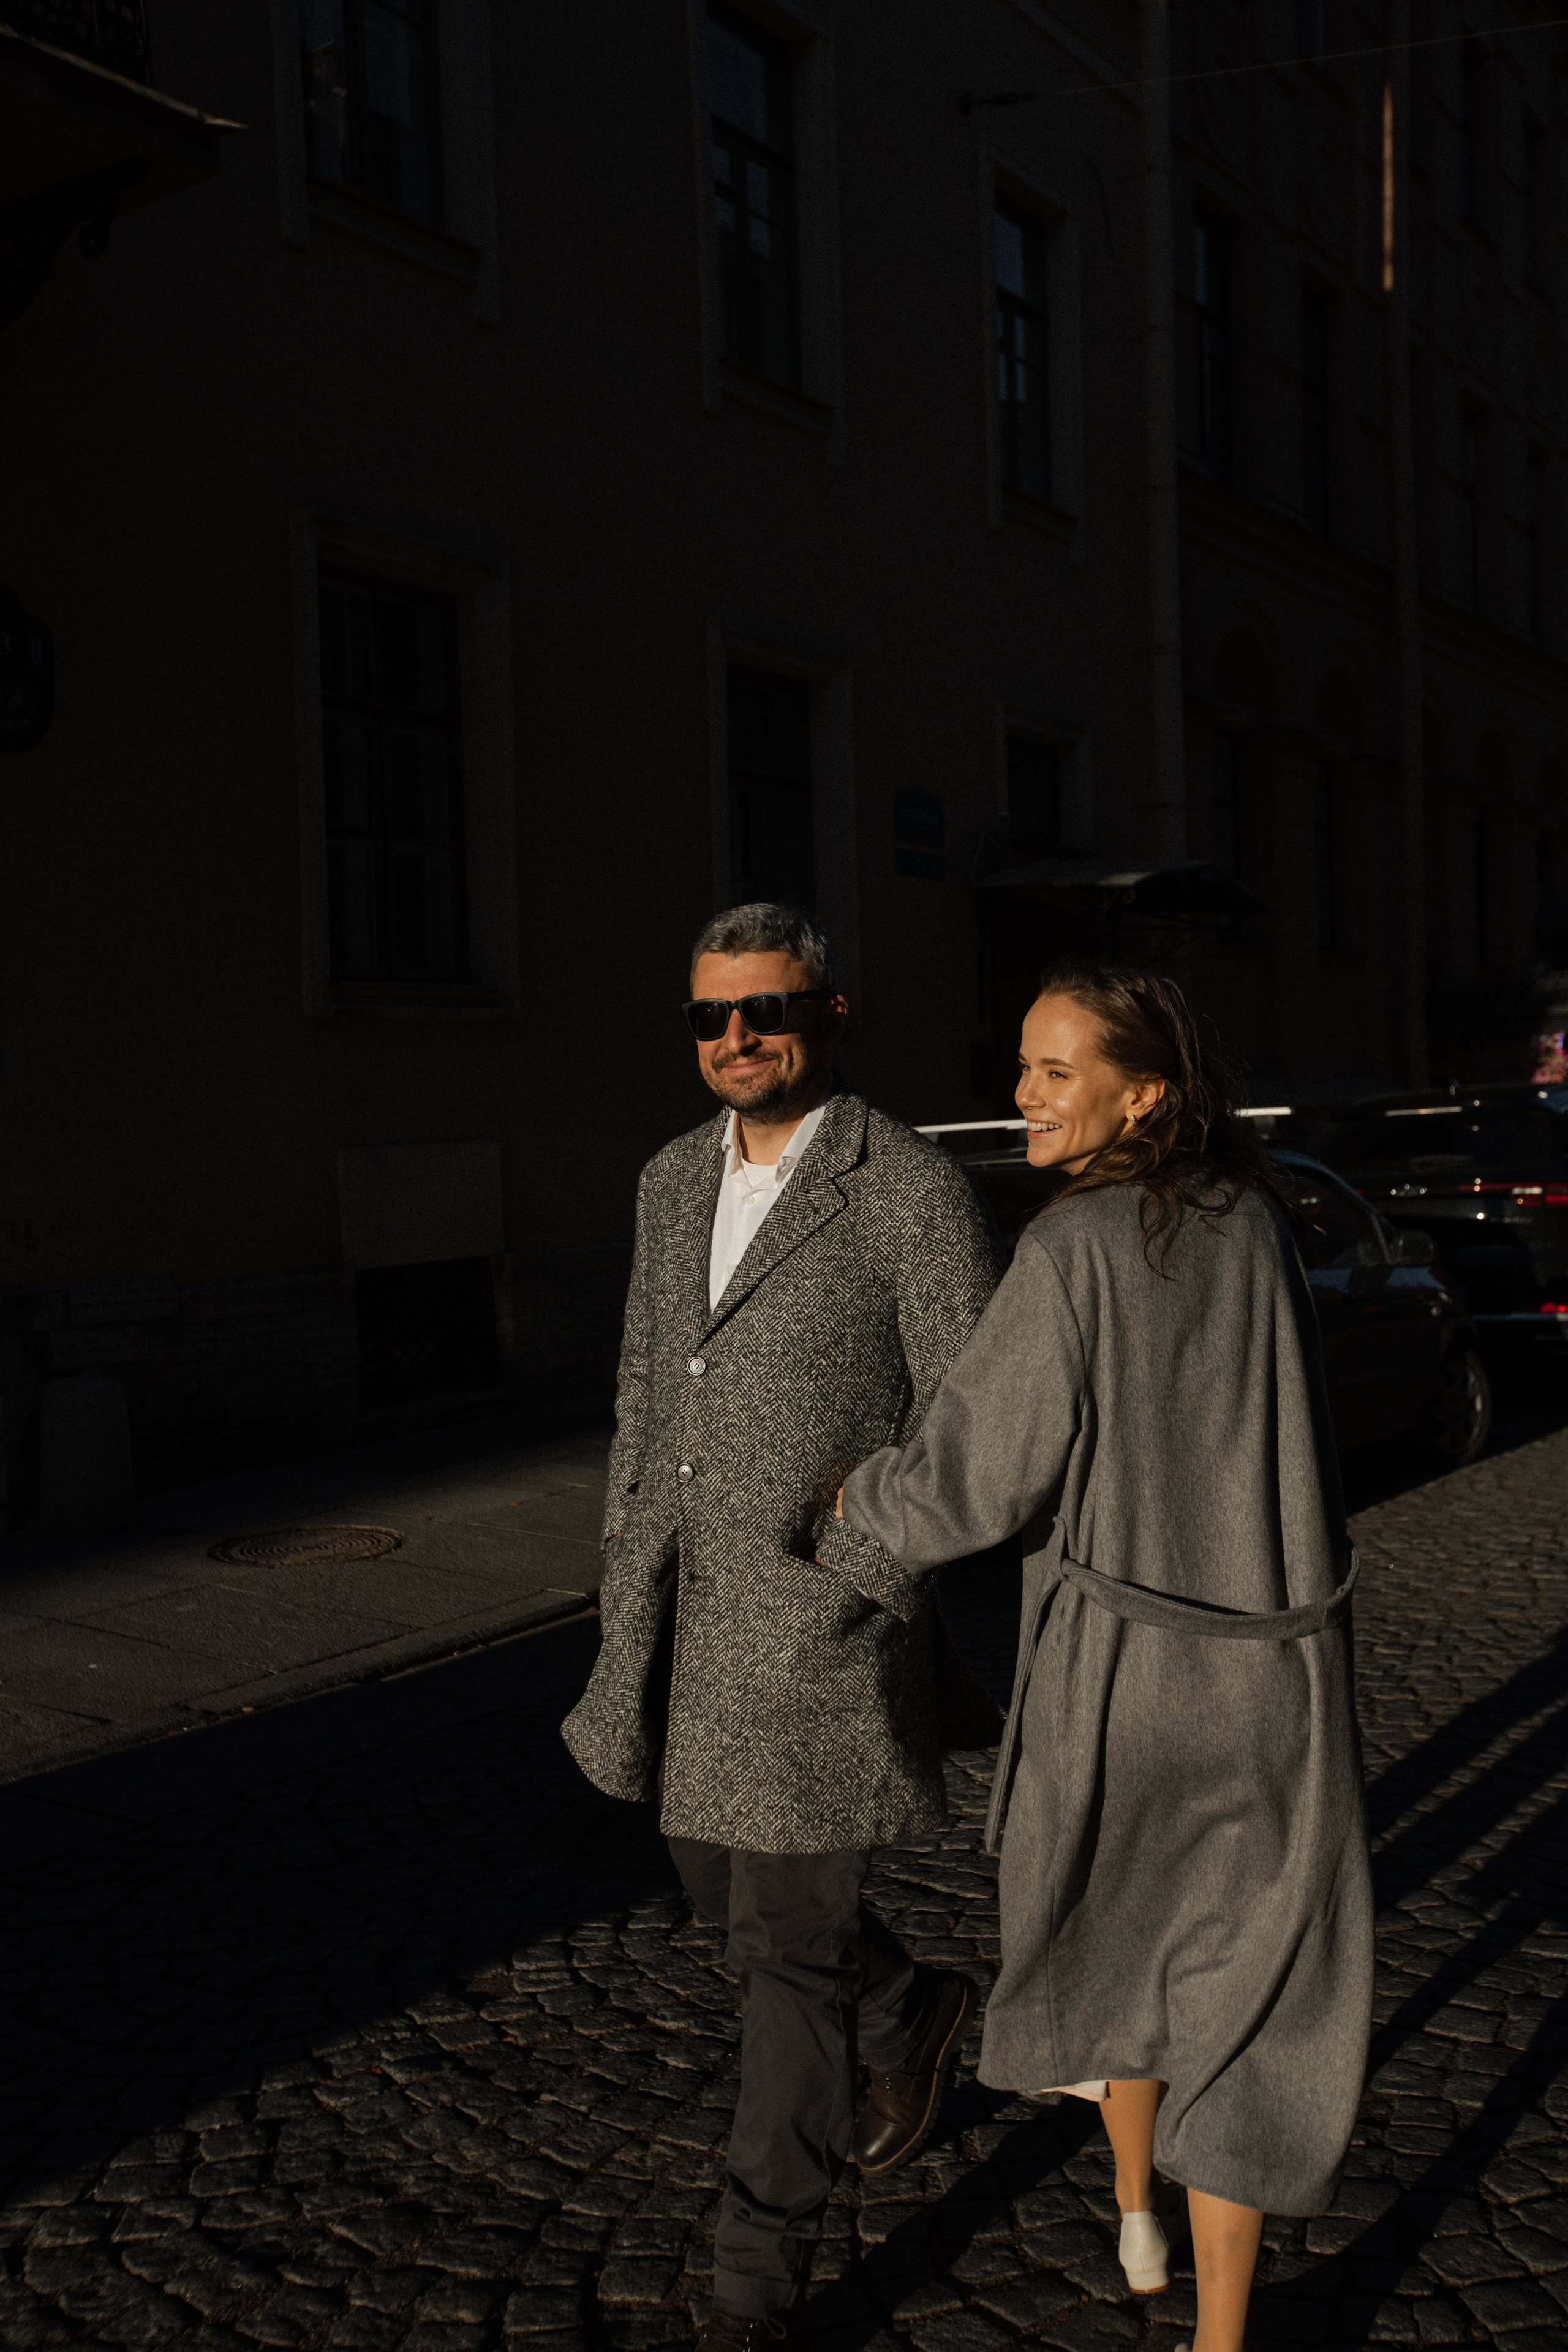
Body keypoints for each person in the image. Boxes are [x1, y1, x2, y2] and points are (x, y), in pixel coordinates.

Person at [839, 962, 1373, 2352]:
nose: (1020, 1092)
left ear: (1141, 1090)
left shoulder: (1069, 1250)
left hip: (1127, 1684)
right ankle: (1216, 2332)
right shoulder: (1254, 1224)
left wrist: (853, 1498)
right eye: (1019, 1065)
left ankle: (1133, 2205)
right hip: (1272, 1681)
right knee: (1240, 2005)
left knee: (1123, 1956)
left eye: (1053, 1070)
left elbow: (969, 1487)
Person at [563, 902, 1007, 2350]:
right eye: (709, 1015)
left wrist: (860, 1561)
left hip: (817, 1632)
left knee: (783, 1952)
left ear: (827, 1016)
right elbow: (645, 1378)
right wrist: (628, 1536)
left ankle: (756, 2275)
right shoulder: (668, 1178)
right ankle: (914, 2012)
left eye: (764, 1009)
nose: (735, 1036)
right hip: (684, 1629)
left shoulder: (905, 1189)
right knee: (706, 1877)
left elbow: (977, 1425)